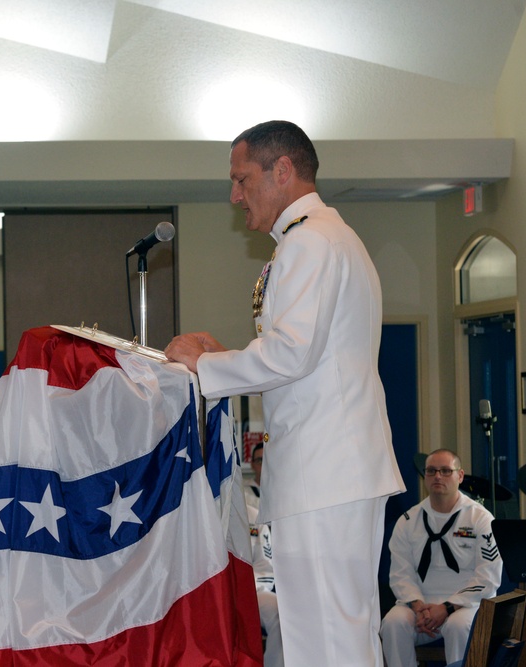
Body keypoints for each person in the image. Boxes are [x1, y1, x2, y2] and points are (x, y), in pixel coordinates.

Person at [165, 120, 404, 667]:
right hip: (333, 468)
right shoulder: (322, 237)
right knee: (335, 633)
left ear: (282, 170)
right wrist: (227, 356)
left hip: (325, 471)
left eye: (241, 178)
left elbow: (293, 354)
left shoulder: (311, 242)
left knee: (325, 638)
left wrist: (204, 366)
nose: (234, 195)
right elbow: (307, 358)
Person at [380, 449, 502, 667]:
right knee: (393, 623)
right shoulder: (408, 521)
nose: (438, 476)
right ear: (425, 476)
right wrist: (418, 606)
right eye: (431, 471)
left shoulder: (480, 519)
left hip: (467, 606)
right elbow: (400, 574)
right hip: (421, 606)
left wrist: (446, 607)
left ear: (460, 476)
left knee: (458, 626)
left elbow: (488, 578)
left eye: (446, 471)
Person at [248, 505, 283, 667]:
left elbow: (265, 570)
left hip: (249, 594)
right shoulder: (196, 513)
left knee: (281, 613)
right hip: (204, 595)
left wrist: (243, 594)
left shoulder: (254, 518)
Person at [244, 443, 264, 509]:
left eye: (266, 460)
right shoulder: (242, 491)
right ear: (252, 465)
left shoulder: (282, 491)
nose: (263, 465)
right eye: (259, 460)